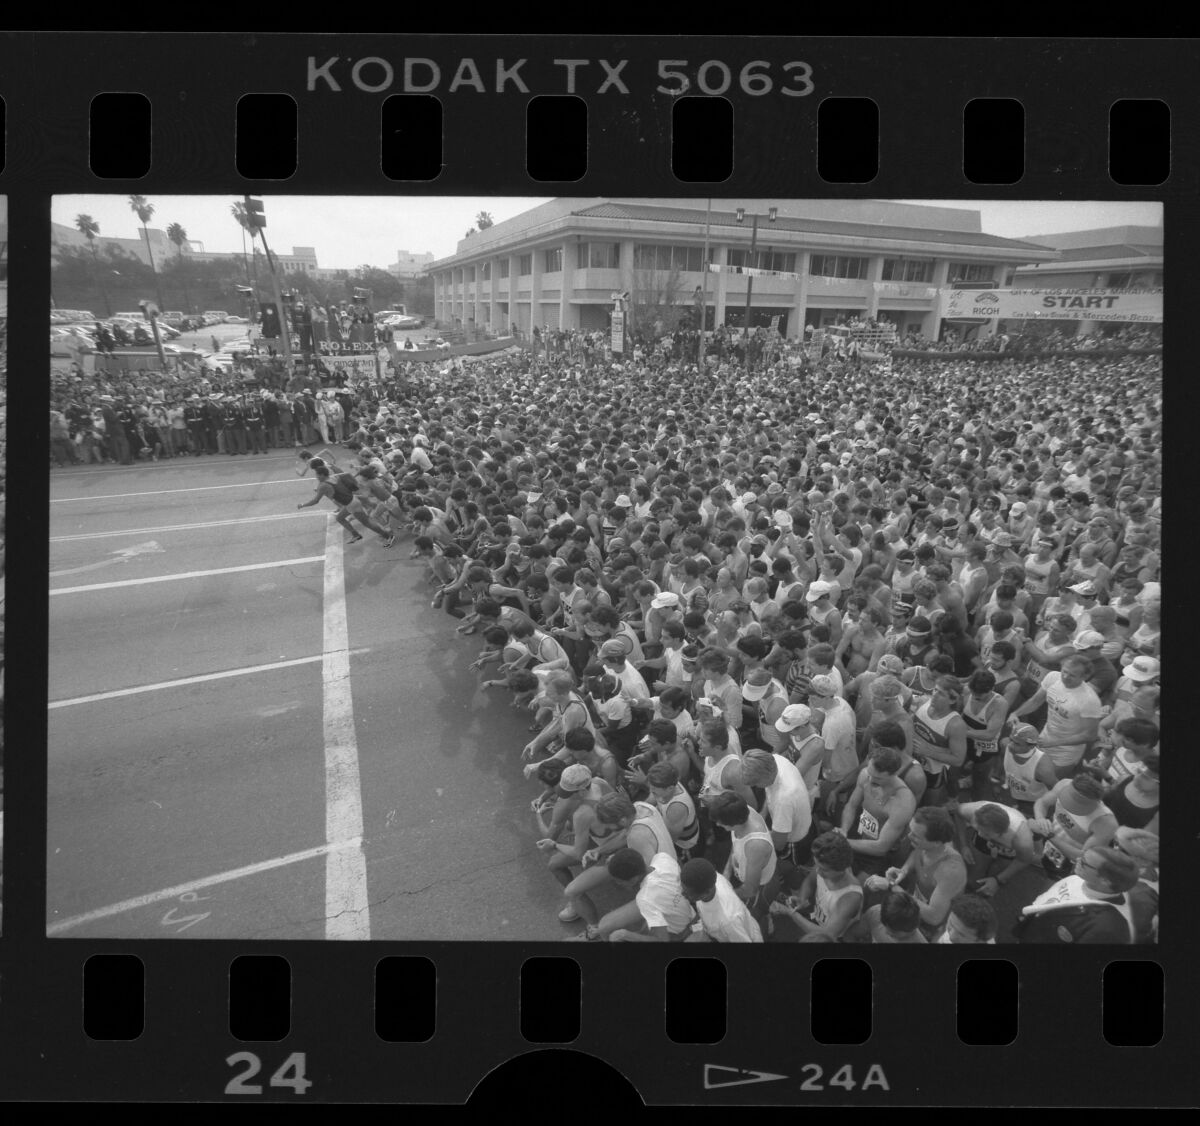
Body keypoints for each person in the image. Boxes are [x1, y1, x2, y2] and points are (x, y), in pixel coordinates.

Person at [864, 806, 967, 937]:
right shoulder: (929, 845)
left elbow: (934, 917)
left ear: (936, 842)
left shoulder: (950, 871)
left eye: (915, 835)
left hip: (934, 925)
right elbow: (917, 853)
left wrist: (891, 886)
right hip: (917, 902)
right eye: (910, 830)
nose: (908, 835)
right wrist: (904, 870)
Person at [1014, 845, 1141, 944]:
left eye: (1084, 862)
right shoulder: (1080, 879)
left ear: (1105, 880)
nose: (1077, 860)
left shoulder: (1108, 928)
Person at [1012, 655, 1104, 778]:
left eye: (1072, 675)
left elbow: (1090, 735)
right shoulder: (1052, 677)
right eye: (1064, 671)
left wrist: (1055, 742)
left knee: (1050, 782)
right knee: (1032, 776)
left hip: (1066, 751)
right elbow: (1035, 701)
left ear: (1085, 677)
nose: (1065, 677)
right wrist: (1016, 714)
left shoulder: (1090, 700)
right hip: (1045, 738)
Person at [768, 829, 864, 941]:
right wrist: (802, 898)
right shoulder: (826, 865)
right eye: (816, 864)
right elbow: (810, 881)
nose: (817, 871)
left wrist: (791, 913)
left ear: (841, 869)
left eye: (823, 870)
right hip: (818, 920)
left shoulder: (850, 898)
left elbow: (827, 935)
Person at [840, 744, 917, 876]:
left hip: (880, 855)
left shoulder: (903, 801)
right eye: (870, 773)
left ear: (894, 774)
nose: (870, 780)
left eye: (877, 778)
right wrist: (844, 830)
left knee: (859, 889)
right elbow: (851, 805)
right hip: (857, 837)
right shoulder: (865, 775)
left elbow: (881, 848)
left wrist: (844, 842)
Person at [1030, 770, 1120, 881]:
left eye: (1080, 804)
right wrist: (1040, 819)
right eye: (1072, 798)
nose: (1073, 806)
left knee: (1056, 880)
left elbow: (1083, 857)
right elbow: (1042, 803)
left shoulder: (1106, 822)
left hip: (1068, 860)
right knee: (1045, 863)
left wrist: (1049, 835)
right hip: (1050, 841)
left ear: (1097, 801)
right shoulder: (1064, 784)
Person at [679, 858, 764, 943]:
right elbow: (703, 911)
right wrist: (687, 931)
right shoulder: (709, 880)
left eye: (688, 893)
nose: (682, 894)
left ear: (706, 892)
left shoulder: (729, 922)